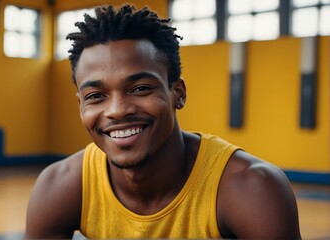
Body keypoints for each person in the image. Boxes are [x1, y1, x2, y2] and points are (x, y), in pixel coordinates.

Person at [26, 3, 301, 239]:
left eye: (140, 88)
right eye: (96, 95)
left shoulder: (253, 189)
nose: (118, 110)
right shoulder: (59, 186)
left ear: (177, 93)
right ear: (81, 106)